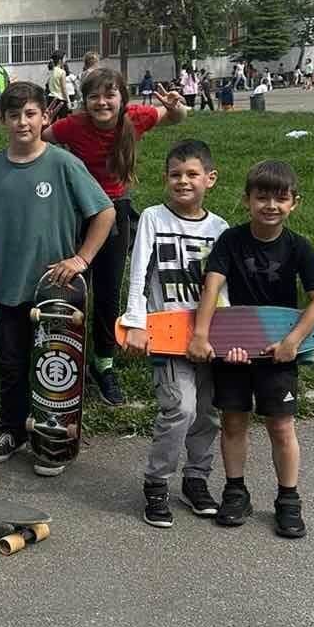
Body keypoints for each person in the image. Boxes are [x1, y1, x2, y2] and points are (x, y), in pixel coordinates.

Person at [0, 83, 115, 474]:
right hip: (8, 286)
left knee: (54, 363)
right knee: (12, 363)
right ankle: (11, 429)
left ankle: (53, 437)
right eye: (14, 115)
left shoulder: (63, 163)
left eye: (30, 114)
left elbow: (105, 213)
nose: (22, 122)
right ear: (3, 121)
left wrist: (82, 258)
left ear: (45, 117)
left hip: (56, 292)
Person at [188, 160, 314, 539]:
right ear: (247, 200)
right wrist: (203, 336)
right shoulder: (231, 241)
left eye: (280, 199)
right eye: (262, 197)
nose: (271, 205)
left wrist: (293, 342)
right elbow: (212, 287)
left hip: (278, 351)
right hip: (233, 347)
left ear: (294, 203)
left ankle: (288, 499)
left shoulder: (299, 247)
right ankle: (236, 492)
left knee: (281, 426)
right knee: (233, 421)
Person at [46, 65, 186, 405]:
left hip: (115, 209)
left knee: (108, 292)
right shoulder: (73, 125)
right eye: (93, 96)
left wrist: (177, 106)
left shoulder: (136, 118)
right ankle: (65, 358)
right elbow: (43, 137)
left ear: (122, 98)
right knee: (72, 287)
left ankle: (103, 363)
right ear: (84, 101)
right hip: (77, 211)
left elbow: (175, 117)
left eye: (110, 95)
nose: (102, 102)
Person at [116, 139, 229, 527]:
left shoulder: (220, 228)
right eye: (176, 174)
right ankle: (157, 482)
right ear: (166, 178)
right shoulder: (153, 217)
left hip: (208, 337)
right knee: (181, 408)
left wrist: (227, 336)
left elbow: (223, 287)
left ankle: (196, 479)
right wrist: (135, 321)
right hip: (165, 336)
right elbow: (139, 272)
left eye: (192, 174)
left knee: (208, 413)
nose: (183, 181)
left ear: (210, 179)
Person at [45, 52, 69, 121]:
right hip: (60, 99)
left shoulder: (51, 71)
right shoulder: (62, 72)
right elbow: (63, 88)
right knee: (63, 121)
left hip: (51, 98)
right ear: (60, 60)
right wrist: (68, 101)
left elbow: (47, 84)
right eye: (64, 58)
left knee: (51, 120)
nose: (66, 60)